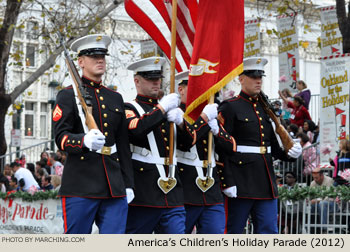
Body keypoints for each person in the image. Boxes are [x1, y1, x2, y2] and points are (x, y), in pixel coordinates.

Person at [53, 34, 134, 234]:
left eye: (103, 56)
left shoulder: (115, 98)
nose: (100, 60)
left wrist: (128, 184)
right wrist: (83, 140)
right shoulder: (67, 95)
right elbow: (60, 138)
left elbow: (123, 146)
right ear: (80, 62)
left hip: (113, 186)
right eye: (93, 56)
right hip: (81, 185)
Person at [215, 57, 302, 234]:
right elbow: (222, 147)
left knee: (269, 230)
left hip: (266, 181)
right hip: (240, 181)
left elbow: (272, 148)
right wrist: (227, 181)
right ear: (241, 79)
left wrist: (289, 153)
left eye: (260, 77)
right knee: (234, 231)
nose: (258, 80)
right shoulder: (230, 107)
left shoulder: (265, 108)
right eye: (253, 76)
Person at [124, 57, 195, 234]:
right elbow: (137, 130)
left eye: (158, 78)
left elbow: (187, 144)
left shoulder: (167, 109)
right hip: (144, 192)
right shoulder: (129, 107)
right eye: (150, 78)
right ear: (137, 81)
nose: (156, 82)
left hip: (173, 191)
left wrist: (181, 123)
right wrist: (161, 109)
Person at [175, 71, 225, 234]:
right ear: (181, 89)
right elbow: (185, 142)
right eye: (194, 88)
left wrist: (218, 132)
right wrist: (203, 120)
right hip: (185, 189)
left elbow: (231, 148)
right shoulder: (175, 115)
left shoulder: (210, 115)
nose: (199, 93)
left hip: (211, 190)